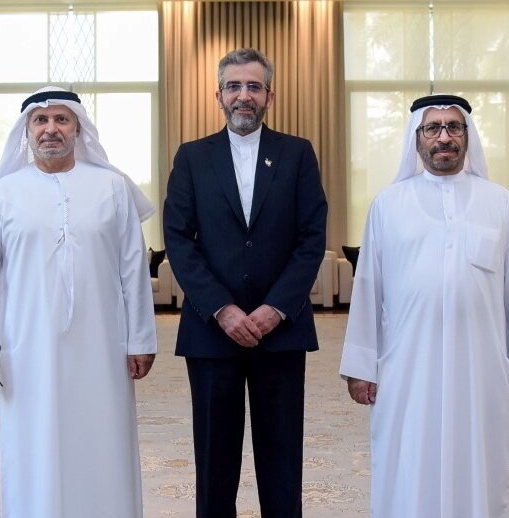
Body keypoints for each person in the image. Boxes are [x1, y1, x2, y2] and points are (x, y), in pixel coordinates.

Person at [339, 93, 509, 518]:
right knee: (407, 457)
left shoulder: (498, 202)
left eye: (454, 127)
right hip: (407, 366)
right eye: (432, 128)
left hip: (481, 365)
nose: (444, 137)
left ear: (467, 136)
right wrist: (361, 366)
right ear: (417, 138)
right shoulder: (388, 204)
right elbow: (368, 289)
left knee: (480, 459)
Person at [0, 86, 157, 518]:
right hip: (27, 348)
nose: (51, 129)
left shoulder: (112, 188)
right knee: (33, 444)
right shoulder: (2, 194)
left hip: (102, 346)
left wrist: (141, 340)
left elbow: (133, 270)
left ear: (78, 128)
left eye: (61, 120)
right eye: (41, 120)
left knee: (102, 439)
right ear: (27, 130)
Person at [163, 48, 327, 518]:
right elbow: (179, 239)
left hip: (281, 331)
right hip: (212, 333)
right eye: (233, 86)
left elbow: (311, 237)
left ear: (269, 96)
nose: (243, 95)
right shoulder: (192, 157)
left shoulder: (297, 153)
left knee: (282, 459)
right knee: (215, 461)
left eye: (254, 86)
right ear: (218, 95)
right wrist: (222, 308)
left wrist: (277, 308)